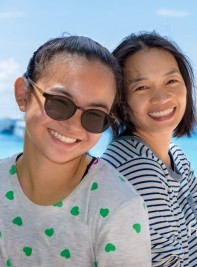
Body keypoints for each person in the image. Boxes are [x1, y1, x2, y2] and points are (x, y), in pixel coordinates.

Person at [102, 32, 197, 266]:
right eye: (142, 87)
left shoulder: (174, 155)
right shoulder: (136, 169)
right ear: (120, 101)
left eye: (171, 81)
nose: (161, 97)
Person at [0, 35, 151, 266]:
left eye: (94, 115)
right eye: (60, 102)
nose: (74, 125)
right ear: (23, 94)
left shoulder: (120, 207)